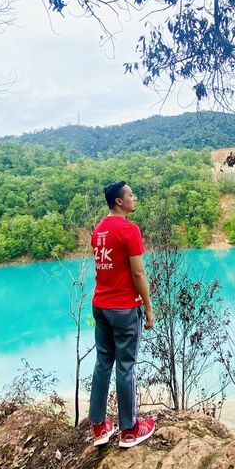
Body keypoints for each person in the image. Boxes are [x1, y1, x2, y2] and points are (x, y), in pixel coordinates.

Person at [88, 181, 156, 448]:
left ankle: (99, 427)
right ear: (119, 201)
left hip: (101, 305)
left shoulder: (98, 230)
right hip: (125, 308)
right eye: (130, 195)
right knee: (126, 366)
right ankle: (129, 430)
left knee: (103, 362)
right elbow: (138, 273)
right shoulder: (129, 229)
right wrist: (148, 307)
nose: (134, 198)